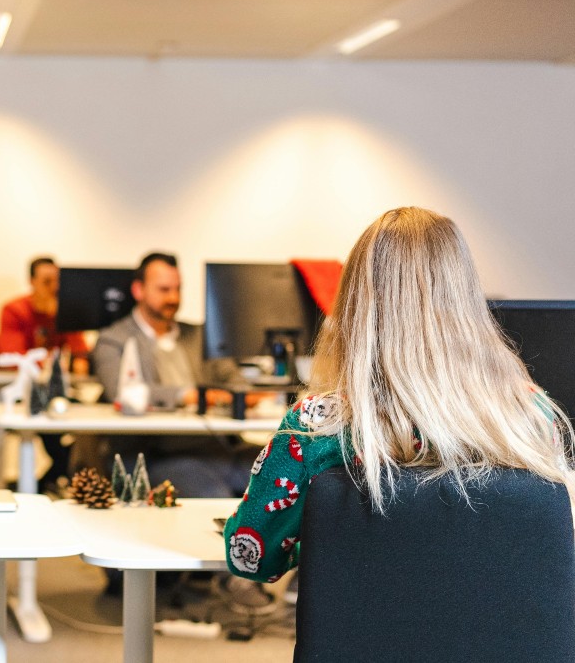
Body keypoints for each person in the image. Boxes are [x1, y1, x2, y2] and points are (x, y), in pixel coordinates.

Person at [224, 207, 575, 585]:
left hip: (361, 623)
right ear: (467, 300)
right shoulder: (530, 414)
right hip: (507, 623)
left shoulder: (317, 425)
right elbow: (555, 539)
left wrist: (314, 544)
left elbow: (251, 559)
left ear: (355, 305)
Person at [92, 252, 256, 498]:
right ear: (138, 290)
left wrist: (241, 394)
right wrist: (188, 395)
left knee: (287, 474)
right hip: (158, 454)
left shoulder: (199, 335)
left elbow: (234, 380)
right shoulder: (113, 340)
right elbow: (123, 392)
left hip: (216, 447)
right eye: (164, 289)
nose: (173, 298)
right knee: (216, 496)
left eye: (178, 289)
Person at [0, 256, 90, 490]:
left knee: (85, 422)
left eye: (58, 281)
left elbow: (81, 355)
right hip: (26, 394)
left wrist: (62, 319)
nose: (55, 287)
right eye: (47, 281)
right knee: (49, 424)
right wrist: (48, 362)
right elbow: (11, 356)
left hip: (57, 393)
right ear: (32, 282)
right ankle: (50, 480)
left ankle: (47, 480)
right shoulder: (14, 310)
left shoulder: (64, 310)